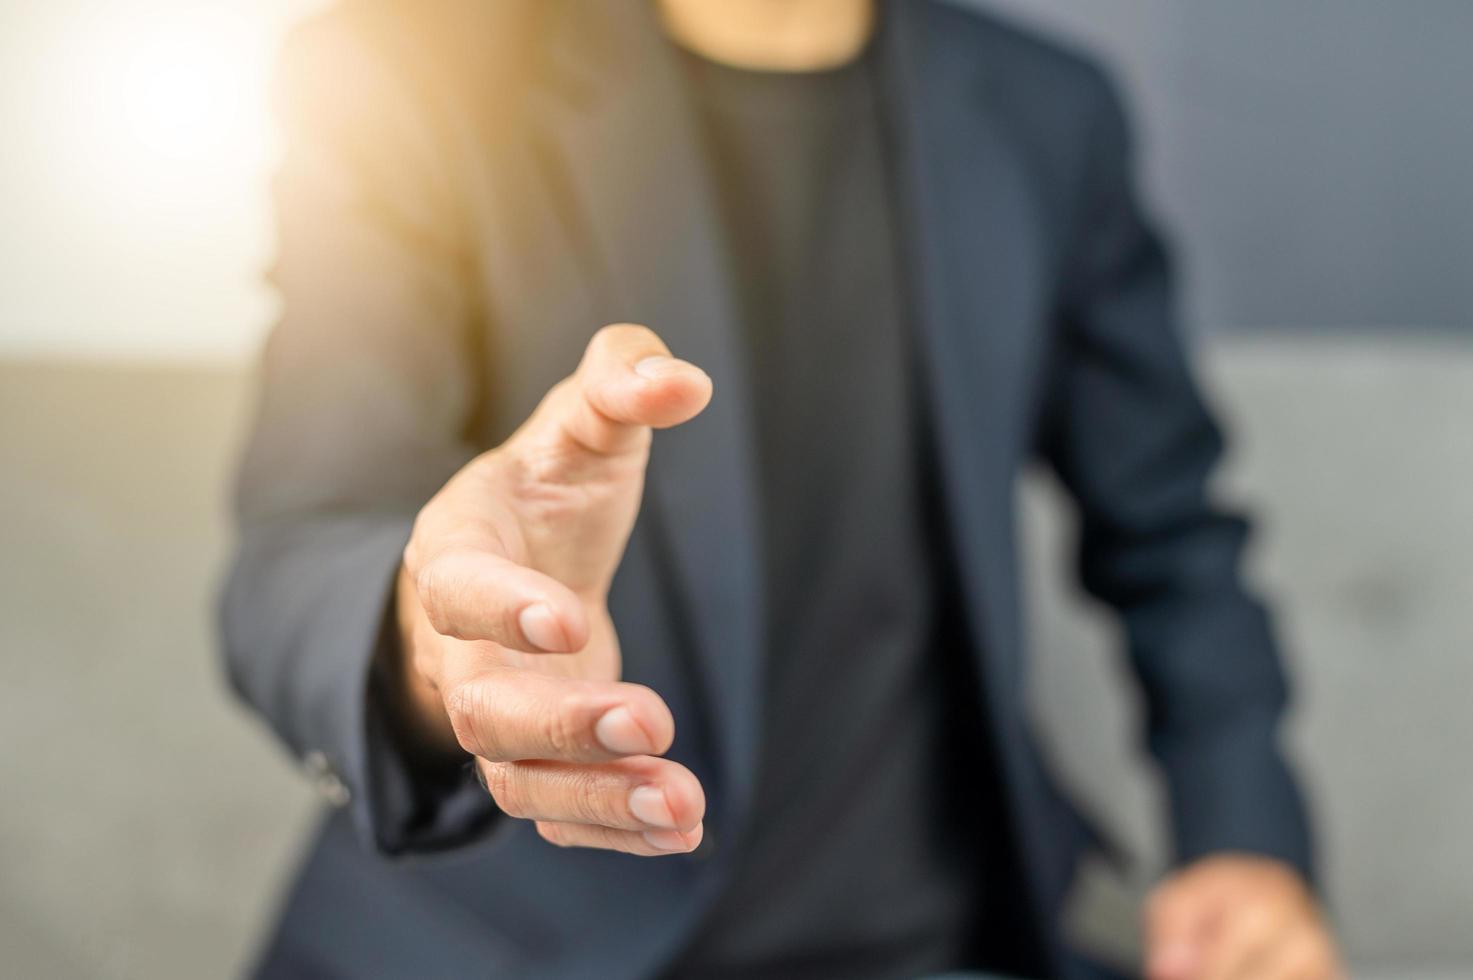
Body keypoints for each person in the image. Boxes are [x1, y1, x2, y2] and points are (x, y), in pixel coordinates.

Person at [221, 1, 1343, 977]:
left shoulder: (1046, 111)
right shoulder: (403, 68)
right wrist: (437, 633)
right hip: (514, 947)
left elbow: (1175, 536)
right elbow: (300, 545)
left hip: (935, 946)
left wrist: (1245, 841)